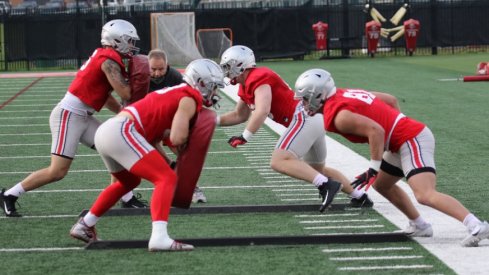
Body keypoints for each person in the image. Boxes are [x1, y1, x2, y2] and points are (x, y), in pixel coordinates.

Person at [294, 68, 489, 247]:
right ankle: (419, 225)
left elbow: (376, 131)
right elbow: (390, 100)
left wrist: (373, 167)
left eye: (304, 98)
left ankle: (476, 225)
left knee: (424, 194)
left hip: (411, 138)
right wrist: (396, 127)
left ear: (318, 95)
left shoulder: (339, 116)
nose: (303, 104)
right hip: (401, 140)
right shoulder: (342, 94)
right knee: (382, 185)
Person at [69, 58, 225, 251]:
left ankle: (85, 224)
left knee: (128, 182)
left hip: (109, 130)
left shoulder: (176, 93)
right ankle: (159, 237)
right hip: (122, 130)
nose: (215, 92)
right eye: (213, 87)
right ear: (200, 83)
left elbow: (156, 139)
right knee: (166, 178)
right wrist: (189, 143)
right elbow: (177, 138)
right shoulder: (189, 96)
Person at [0, 19, 147, 217]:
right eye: (128, 40)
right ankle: (9, 194)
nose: (131, 45)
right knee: (58, 171)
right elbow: (126, 93)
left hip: (82, 117)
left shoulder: (107, 57)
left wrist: (122, 111)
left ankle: (126, 197)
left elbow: (105, 97)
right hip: (68, 116)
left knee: (115, 148)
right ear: (115, 40)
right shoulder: (109, 60)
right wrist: (138, 80)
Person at [217, 45, 373, 212]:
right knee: (316, 170)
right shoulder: (245, 85)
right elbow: (239, 115)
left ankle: (326, 185)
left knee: (278, 161)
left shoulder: (258, 77)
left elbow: (262, 110)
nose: (226, 71)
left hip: (304, 116)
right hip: (312, 119)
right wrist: (212, 121)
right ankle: (359, 196)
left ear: (239, 64)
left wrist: (245, 135)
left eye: (227, 66)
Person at [147, 49, 207, 204]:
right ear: (147, 67)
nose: (158, 73)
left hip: (171, 120)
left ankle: (192, 188)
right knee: (145, 149)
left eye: (161, 69)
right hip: (148, 120)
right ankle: (127, 194)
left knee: (186, 152)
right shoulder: (141, 77)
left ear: (167, 66)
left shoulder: (175, 77)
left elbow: (186, 101)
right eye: (153, 69)